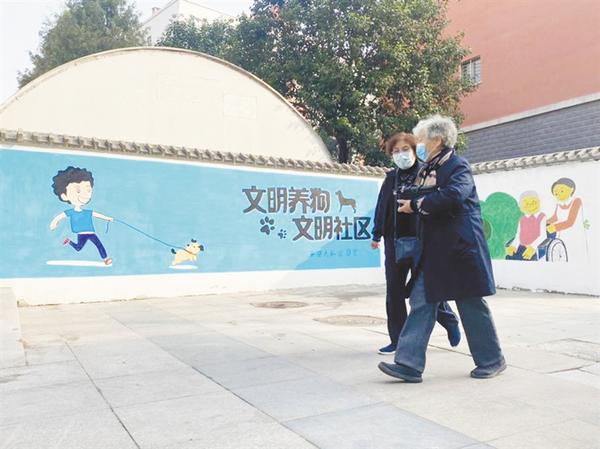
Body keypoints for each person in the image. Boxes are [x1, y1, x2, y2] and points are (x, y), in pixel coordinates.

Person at [378, 115, 505, 383]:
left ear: (436, 140)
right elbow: (421, 195)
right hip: (433, 250)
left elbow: (454, 195)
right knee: (421, 301)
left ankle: (492, 360)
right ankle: (409, 364)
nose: (418, 144)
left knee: (470, 304)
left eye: (421, 139)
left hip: (460, 250)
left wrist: (416, 205)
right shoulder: (427, 169)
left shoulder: (458, 166)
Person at [371, 132, 461, 355]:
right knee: (394, 291)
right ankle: (397, 340)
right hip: (394, 241)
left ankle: (448, 320)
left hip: (423, 240)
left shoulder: (427, 173)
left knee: (424, 289)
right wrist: (376, 234)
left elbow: (437, 203)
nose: (400, 155)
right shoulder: (391, 178)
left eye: (405, 149)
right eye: (395, 151)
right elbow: (382, 206)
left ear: (414, 150)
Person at [49, 166, 113, 265]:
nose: (85, 195)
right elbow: (59, 217)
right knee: (79, 248)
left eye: (88, 190)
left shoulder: (87, 212)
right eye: (78, 191)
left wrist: (108, 218)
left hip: (91, 232)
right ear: (64, 196)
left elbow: (98, 215)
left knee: (99, 245)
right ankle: (69, 241)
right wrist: (54, 222)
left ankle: (106, 259)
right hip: (81, 234)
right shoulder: (70, 212)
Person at [506, 191, 547, 261]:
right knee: (510, 257)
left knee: (528, 260)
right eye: (526, 204)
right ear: (521, 206)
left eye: (533, 203)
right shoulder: (522, 219)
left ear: (538, 202)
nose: (530, 205)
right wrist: (513, 246)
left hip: (535, 247)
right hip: (522, 246)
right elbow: (518, 236)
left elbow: (543, 236)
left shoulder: (541, 216)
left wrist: (532, 247)